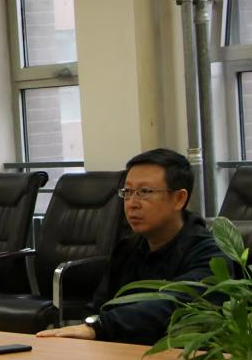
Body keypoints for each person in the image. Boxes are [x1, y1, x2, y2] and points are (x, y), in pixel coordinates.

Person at [37, 148, 222, 346]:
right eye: (127, 192)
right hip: (119, 355)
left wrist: (99, 327)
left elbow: (172, 306)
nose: (132, 204)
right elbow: (99, 308)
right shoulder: (128, 248)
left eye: (145, 192)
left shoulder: (210, 256)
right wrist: (89, 327)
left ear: (179, 199)